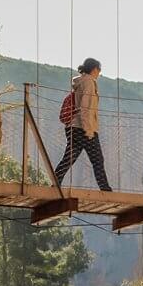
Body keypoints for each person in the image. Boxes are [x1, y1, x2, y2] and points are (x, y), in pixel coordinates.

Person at [54, 58, 112, 191]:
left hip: (72, 127)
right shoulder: (89, 82)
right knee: (97, 160)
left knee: (69, 158)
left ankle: (56, 182)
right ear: (95, 69)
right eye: (99, 70)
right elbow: (86, 108)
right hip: (83, 128)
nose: (99, 74)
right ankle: (105, 189)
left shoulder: (80, 82)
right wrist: (89, 130)